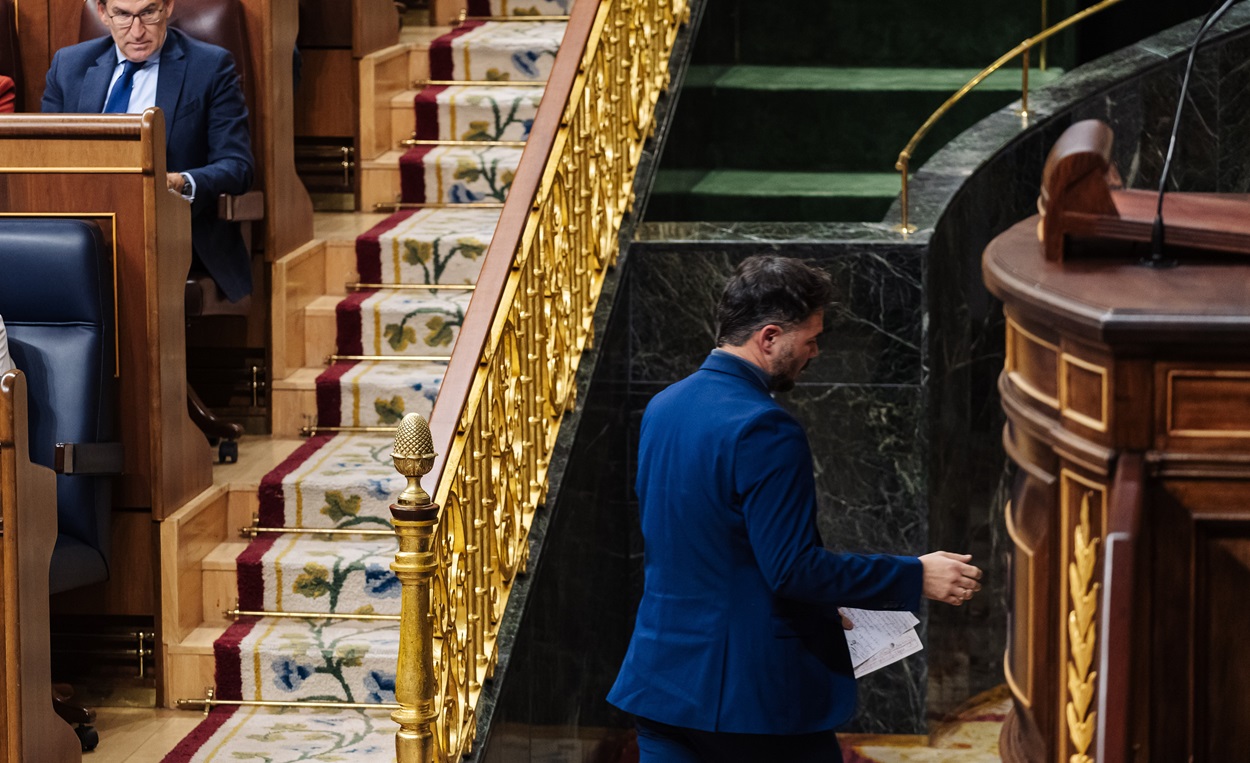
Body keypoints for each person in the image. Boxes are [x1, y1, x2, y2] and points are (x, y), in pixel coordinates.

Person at [608, 255, 983, 762]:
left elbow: (714, 546)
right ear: (768, 337)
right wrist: (916, 574)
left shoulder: (664, 407)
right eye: (808, 339)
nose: (815, 351)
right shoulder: (765, 427)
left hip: (661, 681)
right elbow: (793, 569)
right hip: (751, 700)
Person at [42, 0, 255, 302]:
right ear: (103, 13)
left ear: (167, 7)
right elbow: (46, 159)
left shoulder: (209, 66)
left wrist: (180, 182)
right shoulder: (69, 66)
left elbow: (237, 165)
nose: (137, 30)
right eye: (124, 16)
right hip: (85, 227)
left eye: (148, 13)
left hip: (172, 233)